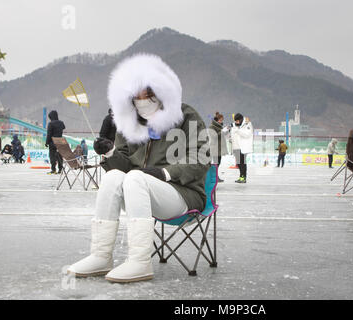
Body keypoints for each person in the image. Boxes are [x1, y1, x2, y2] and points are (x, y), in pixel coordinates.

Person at [67, 54, 209, 283]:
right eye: (137, 97)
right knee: (114, 177)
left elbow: (201, 160)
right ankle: (101, 256)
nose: (143, 101)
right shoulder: (129, 122)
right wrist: (111, 153)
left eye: (148, 95)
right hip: (139, 192)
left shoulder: (186, 117)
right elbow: (125, 164)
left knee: (134, 178)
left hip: (184, 194)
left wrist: (165, 173)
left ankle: (140, 261)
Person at [230, 113, 253, 183]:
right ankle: (241, 176)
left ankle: (244, 177)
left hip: (243, 147)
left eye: (237, 121)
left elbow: (247, 135)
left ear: (241, 119)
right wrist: (231, 138)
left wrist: (238, 130)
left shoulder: (247, 124)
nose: (236, 122)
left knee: (242, 163)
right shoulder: (234, 125)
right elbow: (232, 134)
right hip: (236, 147)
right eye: (235, 121)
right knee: (238, 163)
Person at [209, 112, 228, 182]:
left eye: (222, 120)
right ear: (216, 120)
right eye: (220, 120)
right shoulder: (211, 127)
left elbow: (221, 135)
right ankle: (213, 176)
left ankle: (215, 176)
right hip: (215, 148)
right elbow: (214, 136)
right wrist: (222, 131)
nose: (221, 121)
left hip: (220, 148)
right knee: (216, 163)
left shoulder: (220, 126)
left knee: (218, 163)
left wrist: (226, 131)